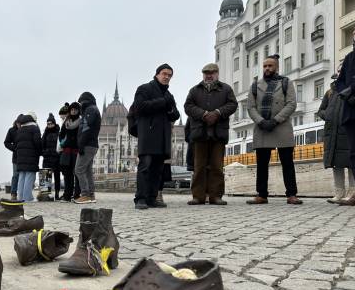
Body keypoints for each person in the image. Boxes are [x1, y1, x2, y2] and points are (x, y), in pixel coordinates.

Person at [246, 56, 302, 205]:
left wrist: (275, 120)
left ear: (276, 67)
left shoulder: (286, 82)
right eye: (265, 66)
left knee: (287, 163)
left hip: (281, 126)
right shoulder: (254, 86)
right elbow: (250, 107)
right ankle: (262, 194)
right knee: (262, 164)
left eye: (270, 66)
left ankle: (291, 194)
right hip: (262, 128)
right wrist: (261, 121)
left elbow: (291, 104)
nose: (267, 69)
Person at [184, 63, 238, 205]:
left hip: (218, 133)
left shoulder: (226, 89)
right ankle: (198, 196)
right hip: (199, 134)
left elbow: (233, 105)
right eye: (206, 73)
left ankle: (216, 196)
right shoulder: (194, 90)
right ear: (203, 74)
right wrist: (203, 114)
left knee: (217, 166)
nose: (209, 75)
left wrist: (218, 113)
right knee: (199, 167)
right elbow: (188, 107)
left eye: (212, 72)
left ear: (217, 74)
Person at [128, 63, 180, 210]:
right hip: (148, 134)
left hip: (163, 136)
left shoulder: (169, 94)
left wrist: (169, 106)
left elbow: (175, 114)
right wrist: (163, 102)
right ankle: (140, 198)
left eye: (169, 75)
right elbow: (140, 107)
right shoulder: (145, 89)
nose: (167, 77)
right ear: (157, 74)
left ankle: (152, 198)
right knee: (145, 167)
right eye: (164, 74)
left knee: (158, 169)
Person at [318, 68, 355, 204]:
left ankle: (352, 193)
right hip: (332, 132)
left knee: (351, 163)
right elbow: (320, 110)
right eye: (339, 71)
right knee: (336, 164)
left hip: (348, 130)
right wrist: (327, 116)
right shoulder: (330, 92)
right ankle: (339, 193)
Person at [335, 28, 355, 206]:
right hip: (351, 111)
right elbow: (340, 81)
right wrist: (347, 94)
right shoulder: (349, 57)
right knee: (354, 153)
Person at [74, 92, 101, 204]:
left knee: (79, 169)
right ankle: (91, 194)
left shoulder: (90, 110)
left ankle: (85, 194)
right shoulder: (94, 109)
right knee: (88, 170)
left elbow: (86, 128)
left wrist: (81, 144)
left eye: (80, 103)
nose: (80, 105)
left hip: (87, 145)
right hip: (92, 144)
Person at [15, 112, 42, 202]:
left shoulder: (20, 130)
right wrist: (40, 152)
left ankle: (20, 197)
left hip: (20, 157)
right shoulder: (34, 128)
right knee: (29, 176)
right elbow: (37, 142)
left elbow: (16, 144)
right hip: (31, 156)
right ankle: (27, 198)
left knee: (22, 176)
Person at [59, 102, 81, 202]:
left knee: (76, 174)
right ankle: (67, 194)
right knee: (67, 174)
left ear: (78, 111)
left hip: (76, 151)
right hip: (67, 151)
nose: (73, 111)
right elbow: (61, 134)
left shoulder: (81, 121)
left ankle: (76, 195)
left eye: (75, 110)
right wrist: (64, 142)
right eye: (72, 110)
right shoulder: (66, 122)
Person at [41, 113, 61, 200]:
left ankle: (57, 193)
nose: (49, 125)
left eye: (51, 123)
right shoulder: (45, 133)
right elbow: (41, 145)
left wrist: (58, 153)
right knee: (45, 175)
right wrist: (44, 153)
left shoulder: (58, 132)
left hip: (56, 157)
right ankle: (45, 194)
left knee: (57, 176)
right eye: (48, 124)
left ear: (54, 123)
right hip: (47, 157)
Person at [4, 115, 23, 200]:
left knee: (23, 175)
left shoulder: (25, 130)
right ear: (16, 122)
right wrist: (14, 149)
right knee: (15, 175)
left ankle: (22, 193)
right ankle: (13, 193)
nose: (20, 125)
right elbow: (6, 142)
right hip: (16, 157)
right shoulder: (11, 130)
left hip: (26, 156)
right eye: (18, 123)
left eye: (21, 123)